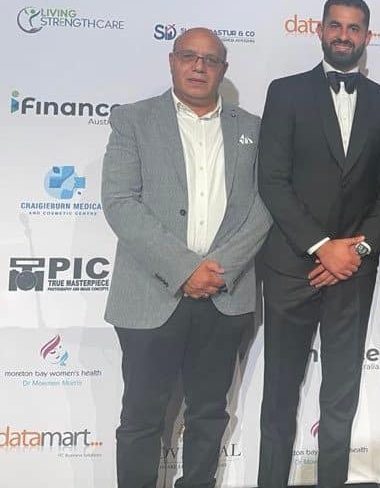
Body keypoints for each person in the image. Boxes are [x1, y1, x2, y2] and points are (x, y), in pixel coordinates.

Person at [101, 27, 272, 488]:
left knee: (210, 413)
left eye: (210, 59)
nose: (199, 66)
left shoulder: (253, 129)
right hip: (150, 295)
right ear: (172, 61)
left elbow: (265, 206)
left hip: (223, 294)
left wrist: (218, 270)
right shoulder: (132, 120)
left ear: (223, 69)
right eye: (189, 56)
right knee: (141, 416)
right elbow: (120, 202)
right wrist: (184, 270)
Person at [256, 0, 380, 488]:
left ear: (366, 36)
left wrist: (356, 250)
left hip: (352, 275)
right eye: (335, 25)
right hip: (291, 269)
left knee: (340, 399)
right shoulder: (285, 92)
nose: (343, 35)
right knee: (279, 397)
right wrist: (322, 246)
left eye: (354, 27)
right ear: (319, 30)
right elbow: (272, 180)